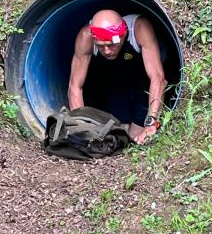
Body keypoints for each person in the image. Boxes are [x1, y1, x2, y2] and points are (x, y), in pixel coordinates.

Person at [68, 9, 167, 144]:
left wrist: (151, 123)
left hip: (144, 77)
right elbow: (75, 86)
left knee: (136, 136)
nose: (107, 51)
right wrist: (81, 126)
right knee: (122, 136)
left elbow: (158, 78)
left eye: (111, 45)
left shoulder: (138, 28)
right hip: (115, 78)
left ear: (124, 33)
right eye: (101, 46)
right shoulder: (86, 36)